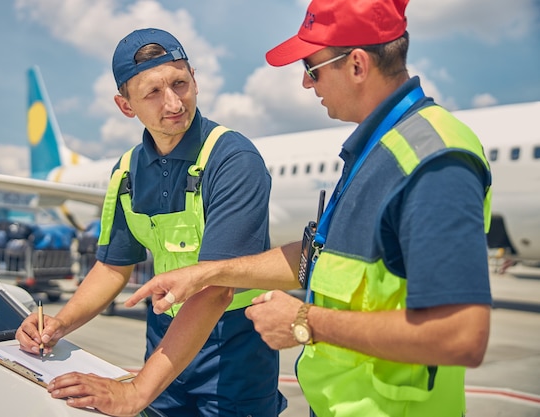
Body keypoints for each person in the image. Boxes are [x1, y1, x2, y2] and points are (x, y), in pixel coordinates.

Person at [127, 1, 493, 416]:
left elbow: (460, 334)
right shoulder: (377, 150)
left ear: (357, 65)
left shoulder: (431, 159)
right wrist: (207, 271)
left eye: (312, 68)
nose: (305, 83)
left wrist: (304, 320)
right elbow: (322, 259)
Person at [16, 28, 286, 417]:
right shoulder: (126, 171)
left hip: (233, 351)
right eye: (153, 93)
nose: (174, 103)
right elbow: (113, 265)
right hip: (165, 343)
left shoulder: (232, 158)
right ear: (125, 105)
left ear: (195, 78)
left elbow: (215, 289)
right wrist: (59, 323)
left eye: (180, 83)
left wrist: (136, 391)